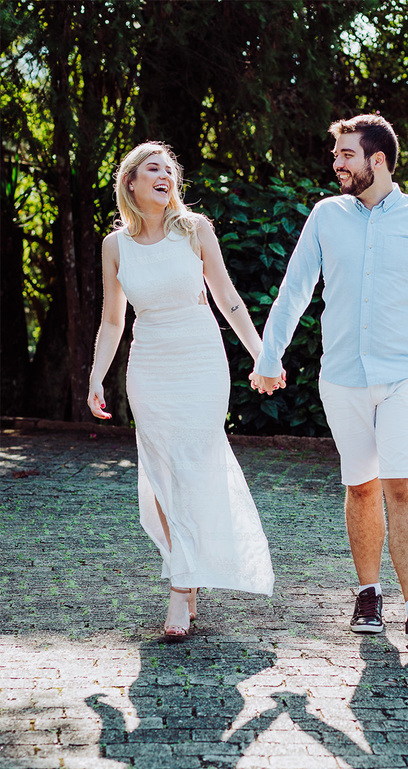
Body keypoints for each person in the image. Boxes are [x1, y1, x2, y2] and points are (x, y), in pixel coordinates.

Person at [250, 113, 408, 641]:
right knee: (362, 486)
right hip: (343, 377)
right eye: (337, 155)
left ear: (377, 160)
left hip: (405, 376)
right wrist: (268, 354)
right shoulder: (327, 216)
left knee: (403, 485)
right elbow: (295, 288)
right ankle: (368, 597)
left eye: (346, 155)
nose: (336, 163)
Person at [88, 142, 275, 637]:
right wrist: (95, 376)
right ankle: (184, 576)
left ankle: (180, 583)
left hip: (199, 360)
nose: (164, 175)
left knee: (195, 466)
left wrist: (263, 354)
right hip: (149, 365)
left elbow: (228, 299)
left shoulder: (195, 230)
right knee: (162, 474)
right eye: (153, 168)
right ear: (131, 183)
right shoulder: (116, 246)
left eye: (169, 169)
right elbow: (112, 320)